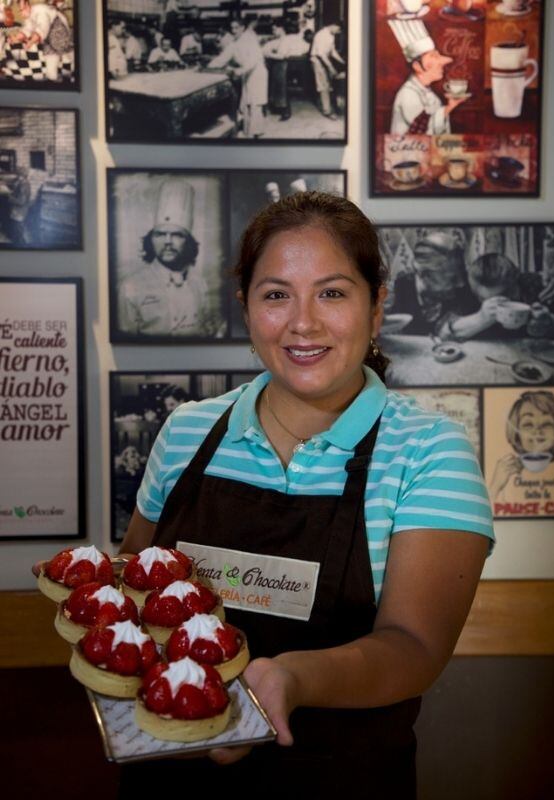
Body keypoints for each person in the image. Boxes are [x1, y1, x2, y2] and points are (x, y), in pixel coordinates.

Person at [37, 192, 493, 795]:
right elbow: (138, 584)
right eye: (276, 294)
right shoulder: (188, 431)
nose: (303, 322)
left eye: (332, 293)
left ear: (377, 307)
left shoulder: (430, 452)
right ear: (247, 310)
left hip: (341, 777)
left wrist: (290, 680)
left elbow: (415, 649)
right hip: (171, 772)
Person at [118, 179, 225, 338]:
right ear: (151, 240)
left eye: (176, 234)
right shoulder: (130, 287)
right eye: (160, 234)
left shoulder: (199, 283)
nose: (168, 241)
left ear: (187, 242)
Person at [488, 390, 554, 510]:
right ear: (517, 434)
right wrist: (495, 487)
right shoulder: (504, 475)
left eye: (547, 424)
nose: (537, 431)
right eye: (528, 424)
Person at [388, 230, 478, 338]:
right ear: (424, 275)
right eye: (452, 278)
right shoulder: (395, 292)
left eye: (461, 274)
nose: (460, 283)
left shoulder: (465, 290)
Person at [387, 23, 464, 135]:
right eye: (433, 57)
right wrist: (449, 107)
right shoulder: (408, 94)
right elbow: (421, 127)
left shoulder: (431, 95)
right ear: (417, 66)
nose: (441, 63)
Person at [208, 16, 267, 138]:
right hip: (247, 73)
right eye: (232, 28)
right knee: (246, 102)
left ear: (243, 28)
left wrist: (239, 71)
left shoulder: (250, 39)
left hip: (257, 73)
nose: (233, 30)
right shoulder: (234, 43)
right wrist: (209, 67)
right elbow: (222, 58)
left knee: (255, 103)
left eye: (236, 27)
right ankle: (248, 130)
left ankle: (255, 133)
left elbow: (254, 60)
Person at [9, 0, 73, 82]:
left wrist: (31, 42)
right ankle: (52, 76)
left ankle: (73, 70)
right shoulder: (30, 15)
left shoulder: (40, 10)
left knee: (64, 48)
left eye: (23, 10)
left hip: (57, 28)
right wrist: (16, 38)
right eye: (20, 11)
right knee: (49, 53)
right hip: (47, 37)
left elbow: (42, 28)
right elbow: (27, 30)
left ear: (28, 5)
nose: (22, 14)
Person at [262, 19, 308, 120]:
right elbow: (306, 48)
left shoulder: (286, 40)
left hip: (286, 66)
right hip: (299, 66)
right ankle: (278, 104)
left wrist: (268, 54)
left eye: (275, 29)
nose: (274, 31)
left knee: (277, 76)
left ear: (283, 29)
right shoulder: (299, 38)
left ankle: (284, 109)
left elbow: (281, 56)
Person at [309, 22, 344, 118]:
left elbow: (332, 51)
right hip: (318, 61)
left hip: (324, 59)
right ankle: (327, 111)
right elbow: (321, 54)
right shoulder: (321, 35)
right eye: (338, 29)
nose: (338, 32)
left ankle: (326, 105)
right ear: (333, 25)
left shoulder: (331, 35)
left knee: (328, 85)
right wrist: (331, 67)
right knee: (323, 86)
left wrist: (343, 62)